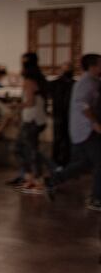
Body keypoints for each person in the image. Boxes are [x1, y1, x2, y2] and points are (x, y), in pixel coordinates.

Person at [49, 54, 101, 210]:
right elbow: (83, 105)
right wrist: (95, 123)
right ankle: (97, 199)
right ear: (93, 66)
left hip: (85, 130)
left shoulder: (93, 82)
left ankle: (54, 179)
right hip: (87, 130)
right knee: (99, 163)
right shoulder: (87, 83)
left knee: (84, 163)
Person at [8, 53, 54, 193]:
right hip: (37, 118)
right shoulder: (39, 79)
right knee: (28, 149)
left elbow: (30, 102)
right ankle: (32, 178)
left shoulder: (29, 80)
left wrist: (16, 106)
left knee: (25, 149)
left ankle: (36, 180)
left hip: (32, 119)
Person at [50, 61, 76, 167]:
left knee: (68, 139)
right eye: (65, 68)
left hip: (71, 116)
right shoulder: (55, 83)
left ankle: (67, 161)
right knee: (58, 139)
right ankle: (56, 162)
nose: (67, 71)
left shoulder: (75, 84)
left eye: (69, 68)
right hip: (59, 115)